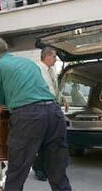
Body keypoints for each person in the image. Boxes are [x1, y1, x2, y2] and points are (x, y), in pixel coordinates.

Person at [0, 38, 71, 190]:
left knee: (17, 170)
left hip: (29, 117)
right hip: (54, 112)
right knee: (57, 170)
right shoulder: (29, 63)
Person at [32, 47, 69, 181]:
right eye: (54, 56)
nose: (56, 59)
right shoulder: (36, 69)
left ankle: (50, 167)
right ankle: (39, 168)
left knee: (53, 140)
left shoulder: (52, 70)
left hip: (53, 107)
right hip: (42, 108)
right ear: (47, 56)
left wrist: (62, 98)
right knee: (43, 141)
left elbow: (54, 88)